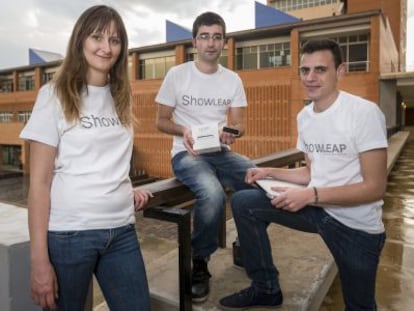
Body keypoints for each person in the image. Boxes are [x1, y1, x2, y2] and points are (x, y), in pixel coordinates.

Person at [219, 38, 388, 310]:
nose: (310, 78)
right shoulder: (305, 117)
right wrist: (269, 171)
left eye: (320, 70)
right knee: (243, 203)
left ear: (340, 71)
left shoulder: (364, 113)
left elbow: (375, 187)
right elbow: (312, 171)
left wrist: (310, 196)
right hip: (317, 209)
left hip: (355, 226)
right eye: (304, 70)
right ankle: (265, 288)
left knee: (359, 305)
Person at [20, 5, 151, 311]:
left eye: (115, 40)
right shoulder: (53, 95)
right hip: (69, 234)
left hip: (121, 230)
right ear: (80, 40)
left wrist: (123, 187)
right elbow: (39, 183)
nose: (106, 48)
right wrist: (39, 262)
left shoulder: (121, 95)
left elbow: (106, 157)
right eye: (97, 37)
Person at [155, 11, 255, 302]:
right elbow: (161, 121)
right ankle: (199, 262)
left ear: (224, 41)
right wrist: (182, 129)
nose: (211, 43)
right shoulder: (177, 74)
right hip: (187, 154)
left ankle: (244, 243)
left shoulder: (232, 79)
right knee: (211, 194)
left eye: (217, 37)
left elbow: (240, 124)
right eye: (204, 36)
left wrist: (231, 132)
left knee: (258, 179)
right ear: (194, 41)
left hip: (220, 151)